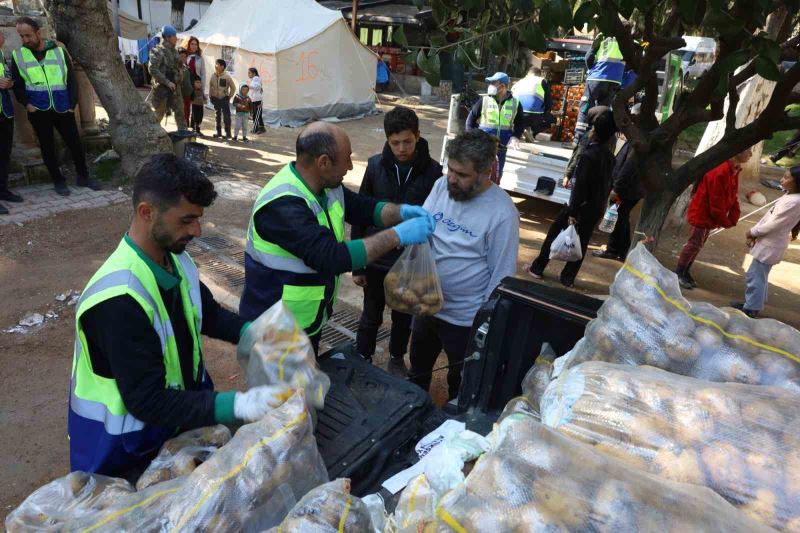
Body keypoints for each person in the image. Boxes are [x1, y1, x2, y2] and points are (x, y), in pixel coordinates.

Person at [69, 153, 290, 478]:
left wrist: (253, 332)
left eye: (198, 218)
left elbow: (206, 313)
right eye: (186, 220)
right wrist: (237, 405)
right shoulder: (118, 300)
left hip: (173, 424)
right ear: (147, 212)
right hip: (127, 451)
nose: (197, 230)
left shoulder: (175, 259)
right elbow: (147, 401)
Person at [239, 122, 436, 354]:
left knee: (301, 385)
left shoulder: (326, 186)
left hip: (305, 317)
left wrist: (401, 212)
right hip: (275, 326)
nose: (351, 166)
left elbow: (364, 207)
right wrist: (398, 235)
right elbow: (330, 256)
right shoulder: (282, 204)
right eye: (347, 158)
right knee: (280, 389)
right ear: (323, 162)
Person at [408, 129, 519, 399]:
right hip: (426, 304)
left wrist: (483, 323)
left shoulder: (503, 214)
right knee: (417, 371)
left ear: (486, 173)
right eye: (450, 170)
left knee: (463, 380)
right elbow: (423, 229)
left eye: (462, 174)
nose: (452, 179)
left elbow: (501, 278)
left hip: (464, 320)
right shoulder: (440, 186)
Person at [351, 106, 442, 373]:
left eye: (407, 142)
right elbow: (361, 213)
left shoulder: (434, 171)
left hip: (409, 261)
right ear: (387, 140)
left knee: (403, 317)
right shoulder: (375, 165)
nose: (401, 148)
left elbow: (435, 217)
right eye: (395, 143)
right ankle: (363, 358)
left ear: (418, 136)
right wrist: (358, 264)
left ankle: (395, 357)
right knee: (370, 316)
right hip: (377, 259)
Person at [528, 109, 617, 287]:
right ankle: (568, 277)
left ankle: (538, 268)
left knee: (554, 233)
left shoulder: (588, 156)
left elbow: (580, 187)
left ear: (595, 132)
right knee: (582, 241)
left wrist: (573, 211)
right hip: (595, 207)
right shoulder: (610, 158)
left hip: (580, 206)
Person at [12, 17, 99, 197]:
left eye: (28, 35)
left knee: (75, 143)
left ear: (38, 33)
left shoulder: (59, 52)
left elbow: (71, 80)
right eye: (21, 36)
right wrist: (27, 104)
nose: (25, 40)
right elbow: (18, 85)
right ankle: (58, 180)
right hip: (38, 109)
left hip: (62, 107)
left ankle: (83, 177)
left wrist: (71, 104)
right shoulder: (18, 56)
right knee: (47, 146)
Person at [675, 148, 753, 290]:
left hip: (710, 215)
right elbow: (715, 201)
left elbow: (733, 195)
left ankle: (685, 270)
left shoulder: (734, 169)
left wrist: (733, 216)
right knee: (694, 243)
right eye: (747, 150)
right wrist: (725, 220)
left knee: (698, 244)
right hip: (703, 213)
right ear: (737, 151)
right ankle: (679, 272)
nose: (750, 154)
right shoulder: (721, 170)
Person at [733, 167, 800, 317]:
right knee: (758, 275)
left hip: (771, 244)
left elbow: (774, 223)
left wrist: (753, 232)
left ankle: (751, 308)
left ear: (797, 183)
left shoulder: (794, 201)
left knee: (755, 276)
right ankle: (753, 305)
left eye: (787, 177)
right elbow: (769, 218)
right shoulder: (791, 197)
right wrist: (755, 231)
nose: (782, 180)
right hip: (769, 242)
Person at [592, 129, 643, 261]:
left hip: (626, 189)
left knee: (618, 217)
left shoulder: (637, 142)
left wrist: (617, 188)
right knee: (622, 217)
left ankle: (613, 250)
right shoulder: (638, 138)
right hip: (631, 188)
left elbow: (629, 168)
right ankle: (622, 249)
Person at [465, 71, 524, 181]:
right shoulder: (485, 100)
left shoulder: (515, 103)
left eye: (493, 83)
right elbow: (470, 120)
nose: (490, 86)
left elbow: (521, 123)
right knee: (478, 171)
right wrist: (471, 137)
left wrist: (515, 136)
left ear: (502, 86)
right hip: (483, 144)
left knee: (496, 172)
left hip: (500, 146)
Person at [574, 36, 625, 143]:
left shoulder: (603, 36)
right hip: (615, 80)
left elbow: (589, 57)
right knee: (602, 110)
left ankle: (578, 138)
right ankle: (596, 137)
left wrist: (591, 69)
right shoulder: (628, 40)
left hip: (597, 77)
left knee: (586, 106)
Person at [1, 31, 23, 215]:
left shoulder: (0, 53)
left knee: (4, 154)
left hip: (4, 111)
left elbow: (7, 76)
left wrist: (10, 83)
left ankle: (3, 190)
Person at [148, 25, 186, 131]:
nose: (176, 38)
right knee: (158, 114)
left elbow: (179, 66)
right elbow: (152, 69)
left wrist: (180, 73)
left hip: (175, 88)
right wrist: (167, 82)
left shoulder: (174, 52)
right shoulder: (157, 51)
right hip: (162, 89)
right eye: (174, 36)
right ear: (168, 37)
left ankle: (183, 138)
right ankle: (152, 136)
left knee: (180, 114)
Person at [563, 105, 610, 187]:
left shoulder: (591, 135)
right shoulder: (610, 136)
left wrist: (568, 174)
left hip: (582, 178)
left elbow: (579, 155)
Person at [511, 66, 554, 139]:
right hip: (533, 116)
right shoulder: (542, 81)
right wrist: (547, 111)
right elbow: (548, 101)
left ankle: (522, 129)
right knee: (553, 120)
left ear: (528, 73)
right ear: (539, 74)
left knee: (525, 116)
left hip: (515, 116)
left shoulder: (519, 81)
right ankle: (533, 132)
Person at [209, 58, 235, 139]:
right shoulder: (213, 75)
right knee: (217, 116)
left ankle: (228, 133)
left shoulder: (227, 77)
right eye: (216, 64)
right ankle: (218, 132)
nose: (216, 66)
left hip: (224, 99)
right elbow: (211, 86)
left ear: (222, 66)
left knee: (226, 116)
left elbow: (233, 88)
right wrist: (210, 96)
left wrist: (229, 97)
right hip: (215, 99)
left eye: (218, 64)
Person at [184, 35, 204, 119]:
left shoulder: (200, 58)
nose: (194, 46)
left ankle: (195, 127)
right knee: (186, 107)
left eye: (196, 44)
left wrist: (202, 86)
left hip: (197, 85)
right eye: (192, 44)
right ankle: (185, 127)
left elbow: (203, 73)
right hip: (186, 85)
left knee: (197, 108)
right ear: (188, 44)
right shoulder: (184, 56)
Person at [177, 48, 194, 125]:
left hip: (187, 94)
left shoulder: (186, 68)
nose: (183, 58)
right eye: (181, 56)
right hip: (180, 94)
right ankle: (182, 128)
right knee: (181, 112)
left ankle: (186, 127)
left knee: (187, 111)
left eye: (185, 57)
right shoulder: (175, 68)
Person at [247, 68, 265, 134]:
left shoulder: (256, 78)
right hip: (254, 100)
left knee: (257, 115)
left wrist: (249, 86)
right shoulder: (254, 79)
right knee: (255, 115)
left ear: (254, 73)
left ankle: (261, 128)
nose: (248, 74)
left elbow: (258, 87)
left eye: (249, 73)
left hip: (257, 100)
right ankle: (256, 128)